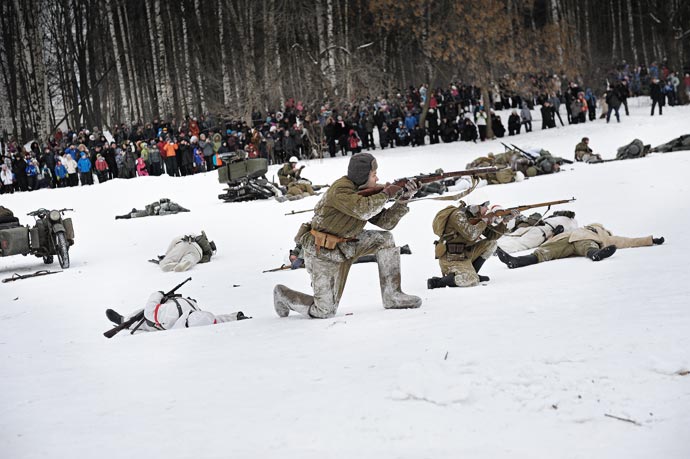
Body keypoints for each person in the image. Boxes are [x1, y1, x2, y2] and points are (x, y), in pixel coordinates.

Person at [273, 153, 421, 319]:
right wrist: (386, 194)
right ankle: (283, 294)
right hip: (323, 252)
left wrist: (405, 197)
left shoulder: (362, 190)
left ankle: (392, 295)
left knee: (385, 239)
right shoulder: (340, 191)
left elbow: (386, 223)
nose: (377, 177)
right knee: (325, 311)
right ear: (362, 175)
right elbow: (364, 209)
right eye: (373, 175)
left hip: (349, 244)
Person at [427, 201, 517, 289]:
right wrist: (484, 221)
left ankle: (473, 272)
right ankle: (438, 282)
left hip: (465, 254)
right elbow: (471, 234)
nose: (487, 208)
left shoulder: (477, 218)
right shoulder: (458, 215)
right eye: (485, 205)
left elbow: (492, 235)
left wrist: (504, 222)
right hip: (450, 258)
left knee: (491, 244)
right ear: (476, 206)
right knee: (472, 280)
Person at [496, 224, 665, 268]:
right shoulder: (577, 229)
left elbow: (628, 241)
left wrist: (649, 240)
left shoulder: (604, 235)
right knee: (543, 252)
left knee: (587, 246)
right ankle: (516, 261)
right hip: (563, 241)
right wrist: (554, 234)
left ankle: (596, 254)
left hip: (586, 242)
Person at [104, 292, 250, 333]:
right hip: (182, 303)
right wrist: (235, 317)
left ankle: (123, 321)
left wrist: (158, 294)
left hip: (152, 319)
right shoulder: (204, 318)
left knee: (141, 317)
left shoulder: (168, 317)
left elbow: (150, 309)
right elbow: (217, 320)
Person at [496, 210, 578, 253]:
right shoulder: (571, 225)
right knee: (520, 243)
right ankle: (498, 249)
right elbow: (563, 235)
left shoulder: (557, 219)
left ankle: (492, 245)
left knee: (512, 236)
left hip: (536, 228)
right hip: (542, 233)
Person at [150, 231, 216, 272]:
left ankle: (170, 264)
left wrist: (167, 254)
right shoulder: (205, 251)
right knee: (190, 258)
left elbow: (175, 240)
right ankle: (185, 262)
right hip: (199, 253)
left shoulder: (189, 235)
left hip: (186, 243)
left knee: (163, 263)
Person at [115, 198, 190, 219]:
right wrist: (171, 213)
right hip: (151, 211)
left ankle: (135, 211)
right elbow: (161, 213)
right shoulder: (166, 206)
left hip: (151, 208)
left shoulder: (172, 203)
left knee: (143, 212)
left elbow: (181, 208)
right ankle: (125, 216)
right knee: (140, 214)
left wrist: (185, 210)